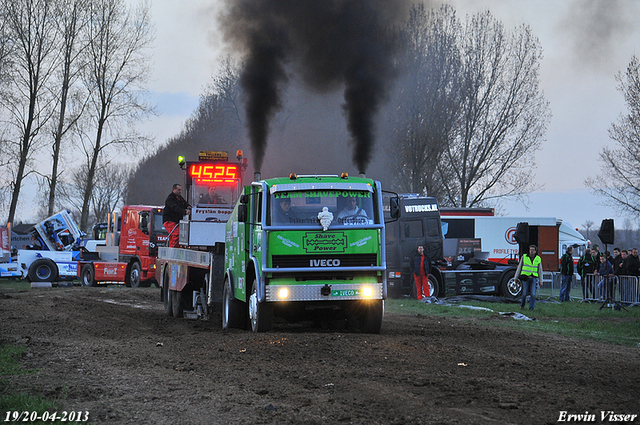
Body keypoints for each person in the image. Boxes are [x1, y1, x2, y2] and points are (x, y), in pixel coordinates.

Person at [516, 244, 543, 310]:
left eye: (533, 250)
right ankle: (522, 306)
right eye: (530, 250)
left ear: (535, 251)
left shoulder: (538, 259)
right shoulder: (524, 257)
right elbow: (519, 268)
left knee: (533, 294)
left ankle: (531, 308)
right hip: (525, 278)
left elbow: (540, 270)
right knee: (524, 293)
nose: (531, 251)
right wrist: (515, 277)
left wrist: (541, 280)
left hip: (533, 278)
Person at [163, 183, 191, 248]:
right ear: (174, 190)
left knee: (174, 236)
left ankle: (174, 249)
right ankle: (173, 249)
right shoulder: (170, 199)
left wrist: (190, 207)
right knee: (177, 234)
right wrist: (185, 211)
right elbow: (175, 208)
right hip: (169, 221)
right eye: (178, 190)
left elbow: (185, 204)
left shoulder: (180, 198)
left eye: (180, 190)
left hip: (176, 222)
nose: (180, 192)